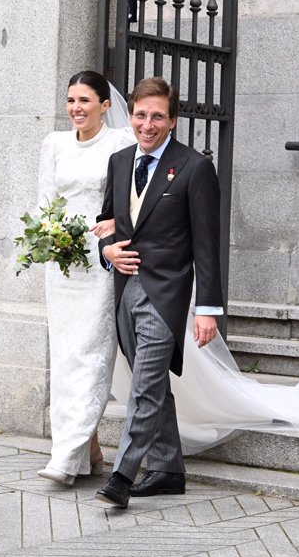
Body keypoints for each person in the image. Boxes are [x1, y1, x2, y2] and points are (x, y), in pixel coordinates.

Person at [95, 77, 223, 508]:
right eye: (140, 115)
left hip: (166, 295)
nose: (147, 125)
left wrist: (206, 309)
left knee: (144, 387)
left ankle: (122, 475)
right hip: (125, 291)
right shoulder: (118, 162)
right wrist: (106, 249)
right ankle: (168, 467)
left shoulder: (194, 167)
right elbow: (107, 222)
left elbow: (207, 244)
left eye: (157, 117)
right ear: (130, 115)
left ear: (172, 120)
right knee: (149, 383)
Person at [34, 71, 135, 486]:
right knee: (65, 354)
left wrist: (113, 226)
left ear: (105, 106)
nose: (76, 108)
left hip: (101, 260)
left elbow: (132, 198)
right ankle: (88, 449)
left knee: (91, 352)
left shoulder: (120, 142)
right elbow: (44, 202)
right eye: (71, 100)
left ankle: (66, 454)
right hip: (62, 263)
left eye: (85, 101)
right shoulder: (54, 144)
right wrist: (48, 237)